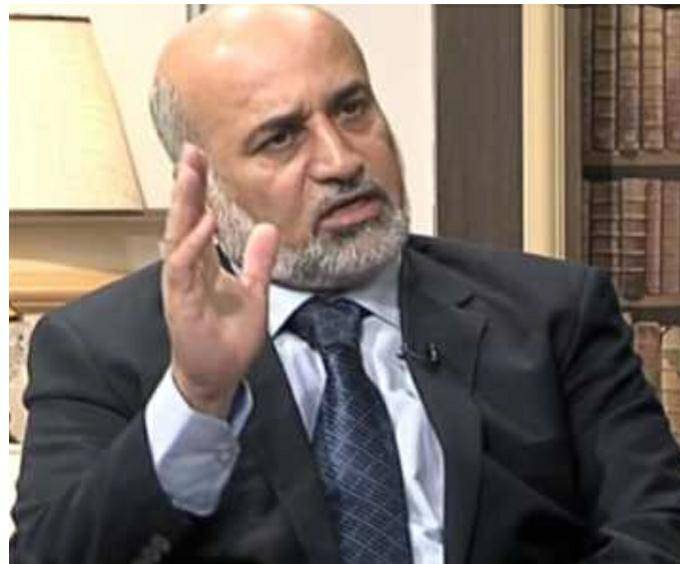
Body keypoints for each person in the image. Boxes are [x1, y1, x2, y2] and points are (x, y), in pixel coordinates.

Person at [10, 5, 680, 564]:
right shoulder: (100, 347)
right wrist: (197, 398)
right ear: (204, 183)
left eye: (353, 108)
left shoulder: (552, 312)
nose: (341, 159)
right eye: (280, 138)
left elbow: (656, 530)